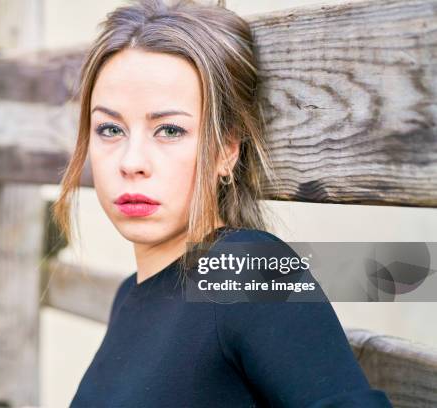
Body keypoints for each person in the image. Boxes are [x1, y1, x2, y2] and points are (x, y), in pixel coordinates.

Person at [52, 0, 393, 406]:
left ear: (226, 150)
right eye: (110, 128)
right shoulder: (130, 294)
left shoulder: (246, 270)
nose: (132, 162)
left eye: (169, 130)